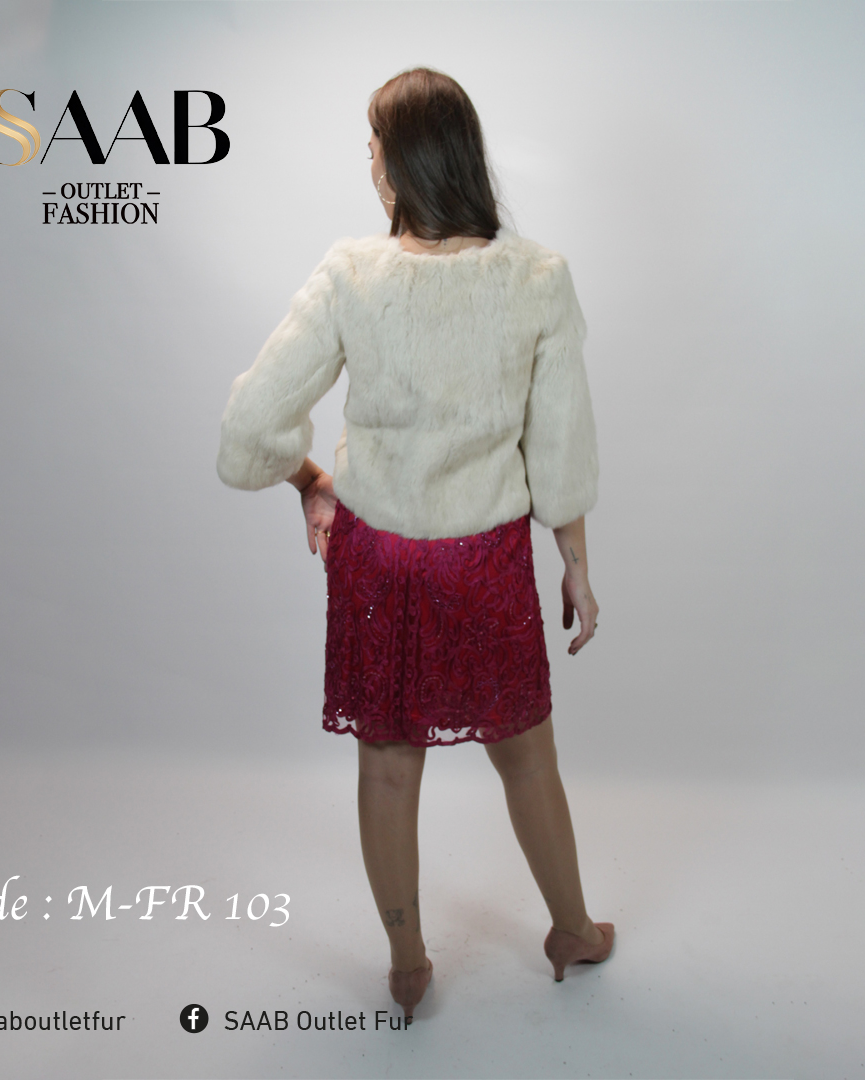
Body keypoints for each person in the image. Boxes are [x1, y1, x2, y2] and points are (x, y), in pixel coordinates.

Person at [217, 67, 613, 1017]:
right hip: (483, 561)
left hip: (379, 557)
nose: (368, 165)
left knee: (388, 765)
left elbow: (248, 430)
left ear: (400, 165)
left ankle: (407, 965)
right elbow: (559, 450)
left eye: (372, 149)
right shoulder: (538, 278)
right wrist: (576, 566)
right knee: (527, 756)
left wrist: (311, 483)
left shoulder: (351, 274)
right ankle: (571, 930)